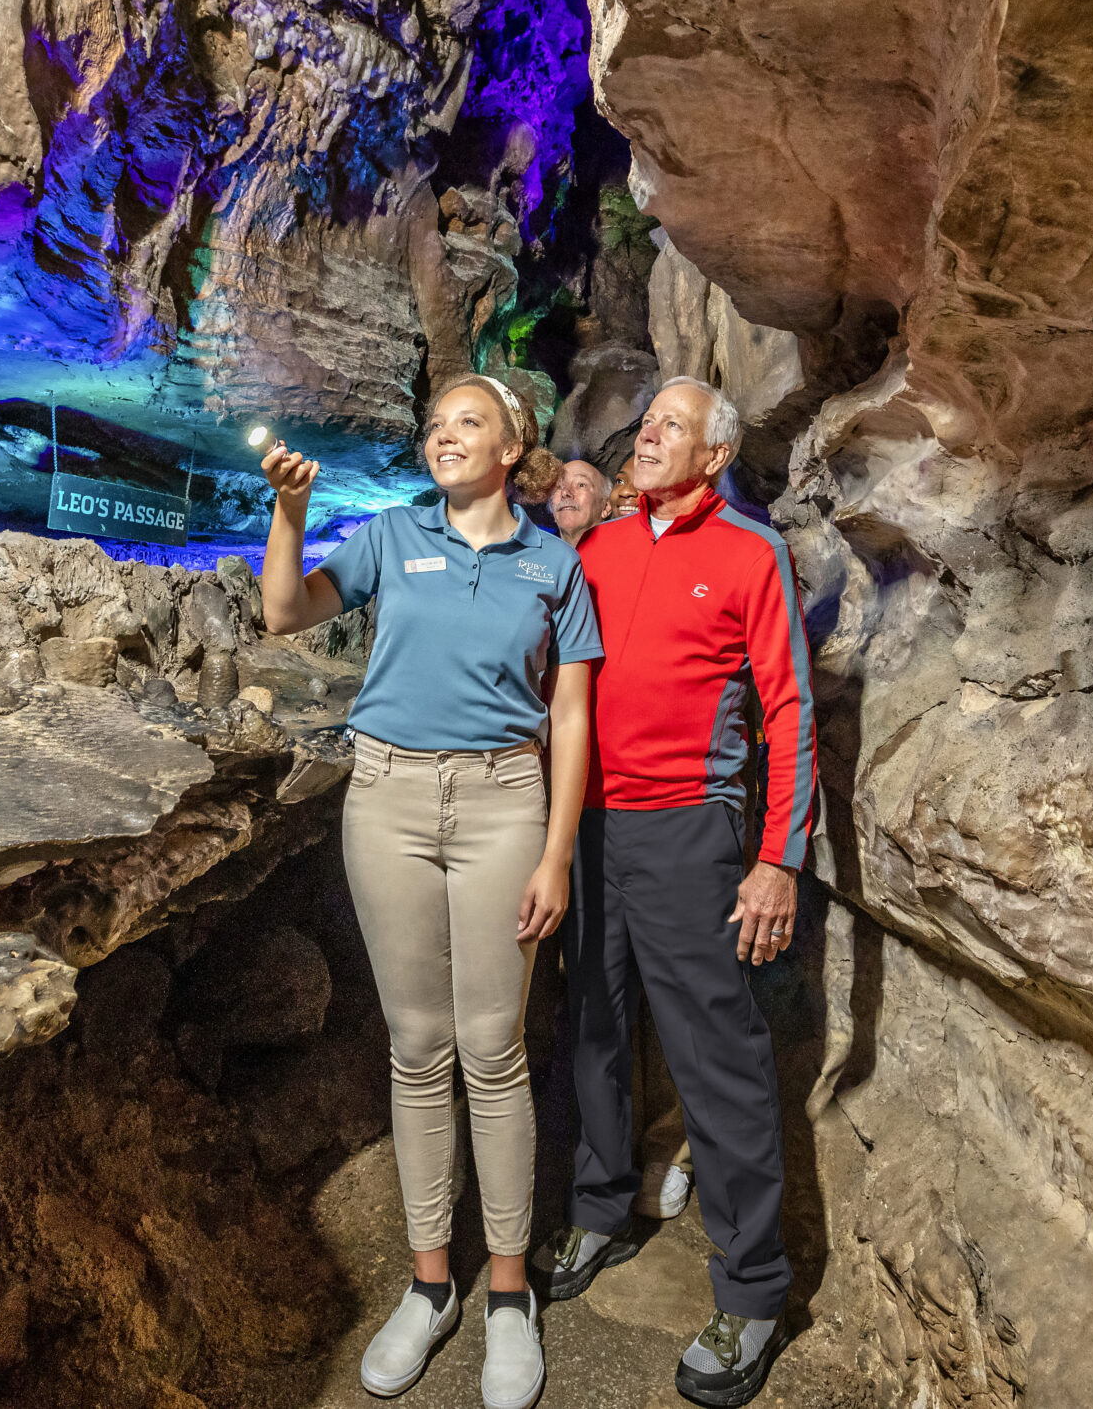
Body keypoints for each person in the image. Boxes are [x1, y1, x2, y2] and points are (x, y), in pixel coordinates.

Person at [259, 376, 600, 1409]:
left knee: (492, 1051)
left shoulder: (554, 564)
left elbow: (573, 720)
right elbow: (283, 614)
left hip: (503, 804)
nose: (443, 435)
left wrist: (554, 853)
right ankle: (429, 1281)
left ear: (511, 448)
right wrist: (288, 509)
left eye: (468, 423)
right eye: (436, 424)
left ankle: (507, 1295)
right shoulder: (388, 535)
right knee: (417, 1049)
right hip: (388, 799)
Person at [536, 376, 815, 1408]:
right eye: (645, 423)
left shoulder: (751, 553)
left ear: (712, 454)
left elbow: (787, 710)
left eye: (670, 429)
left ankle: (751, 1292)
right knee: (596, 1027)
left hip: (691, 834)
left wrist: (777, 857)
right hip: (589, 824)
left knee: (717, 1054)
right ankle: (602, 1210)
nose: (645, 437)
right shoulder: (597, 550)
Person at [546, 452, 696, 1219]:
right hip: (577, 815)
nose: (566, 493)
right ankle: (598, 1165)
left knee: (665, 998)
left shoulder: (631, 561)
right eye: (558, 486)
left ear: (615, 501)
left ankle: (670, 1140)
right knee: (594, 998)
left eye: (584, 484)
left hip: (661, 811)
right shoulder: (543, 569)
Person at [548, 458, 609, 547]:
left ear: (606, 506)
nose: (565, 493)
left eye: (581, 485)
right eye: (559, 486)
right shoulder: (535, 558)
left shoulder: (623, 556)